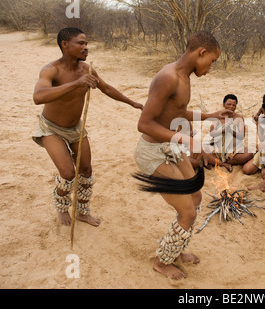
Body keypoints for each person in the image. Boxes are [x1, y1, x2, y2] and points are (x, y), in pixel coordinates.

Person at [133, 30, 232, 280]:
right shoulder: (169, 77)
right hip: (154, 152)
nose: (210, 68)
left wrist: (209, 116)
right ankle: (162, 261)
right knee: (187, 211)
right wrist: (187, 139)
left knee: (195, 197)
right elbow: (144, 123)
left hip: (171, 148)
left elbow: (177, 113)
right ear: (202, 52)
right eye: (211, 62)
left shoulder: (183, 77)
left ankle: (176, 250)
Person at [32, 27, 143, 227]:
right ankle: (62, 206)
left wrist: (131, 102)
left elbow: (106, 88)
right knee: (67, 174)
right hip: (52, 128)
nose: (86, 48)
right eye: (80, 43)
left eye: (86, 44)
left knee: (86, 170)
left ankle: (82, 211)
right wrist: (76, 84)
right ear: (65, 45)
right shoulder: (51, 70)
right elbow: (38, 97)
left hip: (76, 128)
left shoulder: (86, 70)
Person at [207, 94, 254, 171]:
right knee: (201, 151)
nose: (231, 107)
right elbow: (212, 133)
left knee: (249, 154)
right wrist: (222, 131)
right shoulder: (218, 116)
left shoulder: (239, 117)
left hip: (234, 148)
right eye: (228, 104)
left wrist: (230, 131)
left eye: (234, 105)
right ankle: (223, 162)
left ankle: (220, 160)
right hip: (219, 148)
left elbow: (241, 136)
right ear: (223, 105)